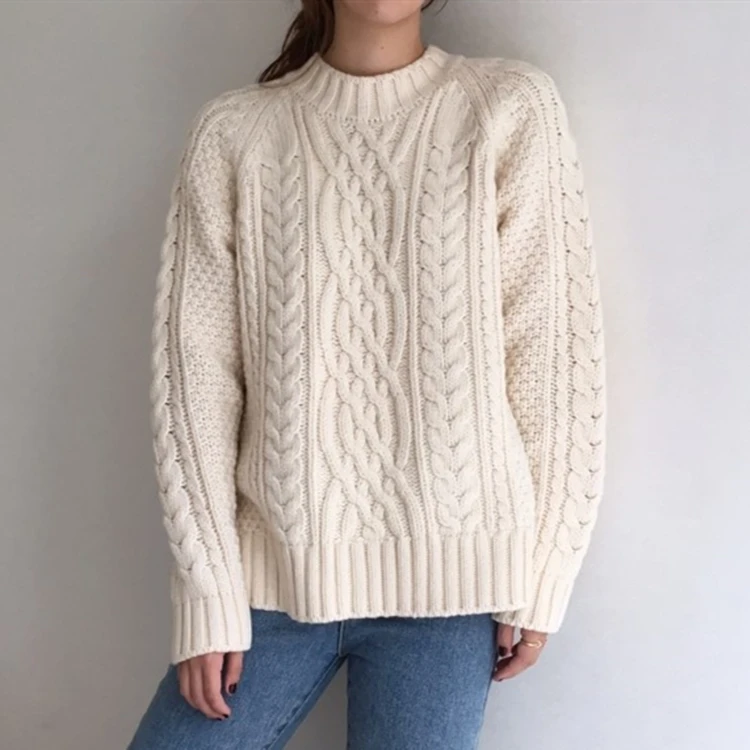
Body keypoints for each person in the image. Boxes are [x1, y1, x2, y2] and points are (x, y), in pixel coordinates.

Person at [128, 0, 606, 747]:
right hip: (266, 585)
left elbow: (553, 363)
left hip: (456, 588)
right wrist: (206, 588)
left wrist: (545, 573)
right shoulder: (235, 132)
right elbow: (195, 381)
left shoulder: (509, 109)